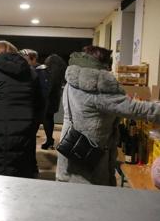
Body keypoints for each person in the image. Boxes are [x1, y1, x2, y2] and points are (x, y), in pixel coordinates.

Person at [56, 46, 160, 186]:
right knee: (91, 200)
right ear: (102, 65)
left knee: (69, 194)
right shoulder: (97, 88)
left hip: (70, 146)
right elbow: (136, 109)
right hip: (90, 156)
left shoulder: (73, 81)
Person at [0, 41, 42, 178]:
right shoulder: (31, 72)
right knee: (22, 172)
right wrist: (31, 127)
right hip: (25, 131)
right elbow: (40, 105)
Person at [40, 54, 67, 149]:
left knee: (45, 119)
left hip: (47, 99)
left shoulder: (47, 72)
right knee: (49, 119)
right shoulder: (61, 73)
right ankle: (49, 140)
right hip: (54, 99)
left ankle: (49, 140)